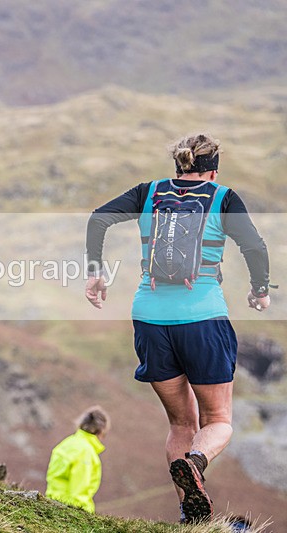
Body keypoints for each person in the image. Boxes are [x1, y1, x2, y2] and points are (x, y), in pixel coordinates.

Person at [84, 133, 271, 523]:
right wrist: (259, 291)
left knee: (180, 423)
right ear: (213, 169)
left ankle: (189, 513)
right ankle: (197, 463)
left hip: (150, 319)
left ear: (178, 165)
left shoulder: (148, 192)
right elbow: (254, 247)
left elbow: (99, 218)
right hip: (202, 319)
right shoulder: (223, 197)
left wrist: (95, 274)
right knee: (217, 421)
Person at [45, 406, 110, 514]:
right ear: (101, 431)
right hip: (69, 511)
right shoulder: (85, 452)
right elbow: (79, 491)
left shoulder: (66, 443)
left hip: (50, 504)